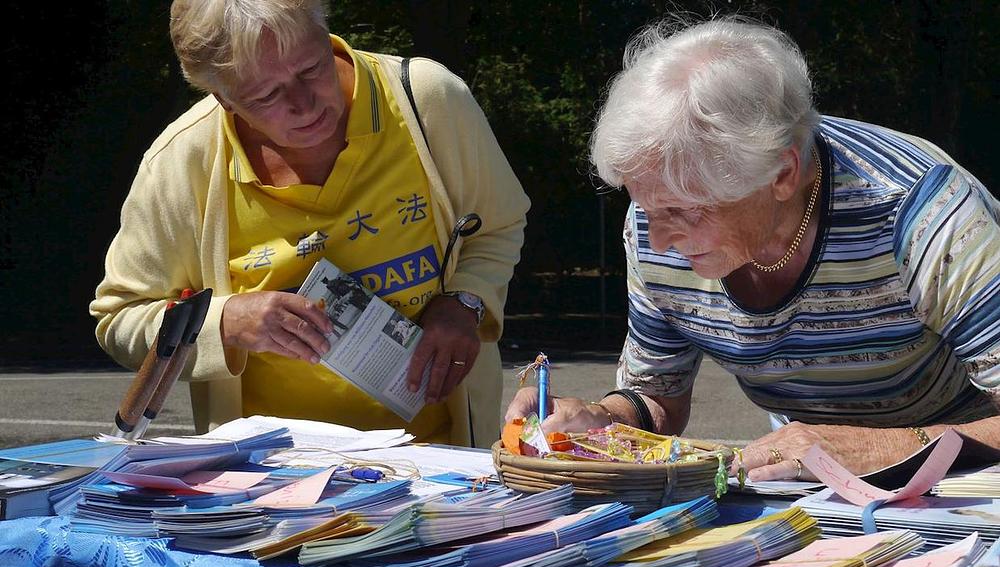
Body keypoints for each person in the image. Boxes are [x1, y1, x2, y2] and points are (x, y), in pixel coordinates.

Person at [506, 17, 999, 481]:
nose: (658, 241)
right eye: (647, 208)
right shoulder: (654, 217)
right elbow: (658, 399)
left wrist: (878, 449)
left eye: (686, 210)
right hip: (810, 474)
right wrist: (598, 419)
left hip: (969, 476)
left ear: (782, 174)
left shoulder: (925, 216)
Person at [91, 0, 529, 447]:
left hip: (439, 457)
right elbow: (120, 318)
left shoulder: (426, 100)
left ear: (327, 34)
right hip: (267, 474)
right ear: (222, 98)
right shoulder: (181, 163)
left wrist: (464, 302)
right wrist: (224, 322)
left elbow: (497, 225)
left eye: (311, 69)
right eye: (266, 95)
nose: (304, 105)